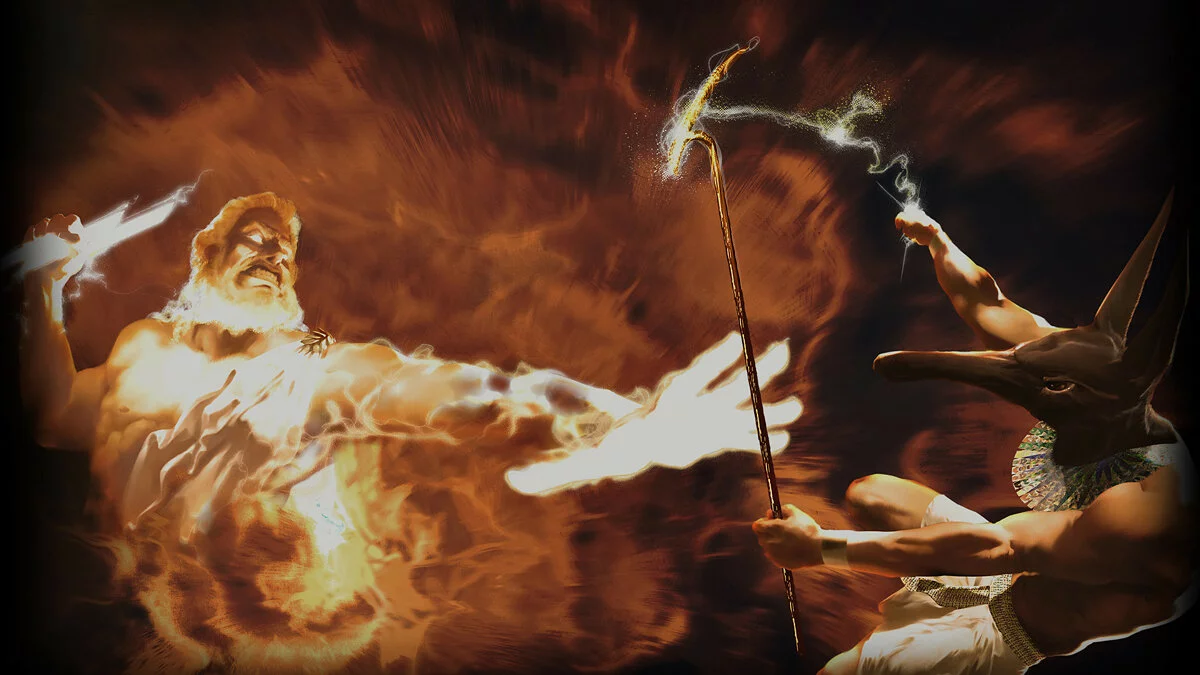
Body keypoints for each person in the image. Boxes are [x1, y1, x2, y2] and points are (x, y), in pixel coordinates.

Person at [20, 192, 800, 542]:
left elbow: (480, 394)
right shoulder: (143, 348)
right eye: (255, 240)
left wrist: (624, 423)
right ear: (206, 256)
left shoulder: (315, 366)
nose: (273, 256)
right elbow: (54, 417)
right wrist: (42, 287)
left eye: (284, 252)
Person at [754, 200, 1197, 674]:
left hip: (993, 636)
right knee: (871, 495)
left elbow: (999, 548)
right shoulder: (1107, 391)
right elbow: (989, 306)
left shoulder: (1146, 514)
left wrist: (821, 549)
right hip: (1000, 574)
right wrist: (937, 241)